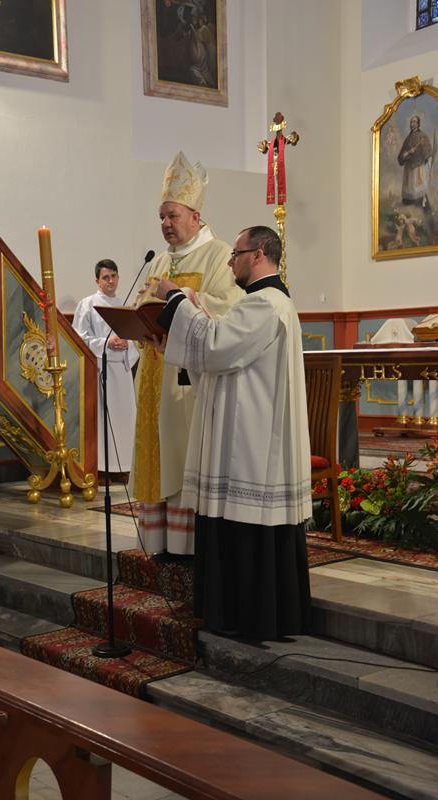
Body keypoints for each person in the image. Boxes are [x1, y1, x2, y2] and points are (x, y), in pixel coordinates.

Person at [154, 225, 312, 640]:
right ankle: (242, 615)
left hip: (251, 439)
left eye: (235, 254)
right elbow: (221, 358)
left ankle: (247, 617)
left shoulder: (265, 304)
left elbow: (217, 346)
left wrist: (175, 299)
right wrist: (175, 345)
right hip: (249, 430)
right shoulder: (264, 303)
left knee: (245, 525)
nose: (230, 263)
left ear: (257, 254)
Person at [130, 151, 241, 556]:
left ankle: (186, 546)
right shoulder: (158, 260)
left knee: (183, 458)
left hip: (188, 380)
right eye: (161, 216)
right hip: (153, 376)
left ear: (195, 216)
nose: (165, 223)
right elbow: (143, 307)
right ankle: (158, 543)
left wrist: (180, 295)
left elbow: (228, 308)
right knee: (156, 455)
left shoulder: (219, 255)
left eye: (172, 215)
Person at [72, 260, 139, 477]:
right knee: (102, 419)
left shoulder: (124, 305)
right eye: (105, 277)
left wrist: (129, 343)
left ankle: (124, 468)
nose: (110, 281)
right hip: (101, 369)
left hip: (123, 370)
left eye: (113, 276)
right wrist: (106, 343)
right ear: (97, 281)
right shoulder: (88, 304)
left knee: (125, 419)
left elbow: (136, 338)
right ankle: (101, 469)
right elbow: (79, 338)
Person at [397, 115, 433, 211]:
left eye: (414, 122)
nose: (412, 124)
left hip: (418, 168)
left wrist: (429, 168)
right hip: (408, 169)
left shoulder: (423, 136)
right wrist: (408, 152)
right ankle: (408, 212)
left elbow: (428, 152)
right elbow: (400, 157)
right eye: (411, 122)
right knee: (408, 193)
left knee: (418, 191)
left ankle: (424, 212)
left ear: (418, 124)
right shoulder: (407, 139)